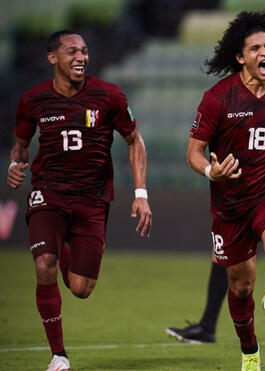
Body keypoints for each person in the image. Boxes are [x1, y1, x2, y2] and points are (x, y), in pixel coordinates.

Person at [7, 30, 152, 371]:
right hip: (49, 192)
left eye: (85, 51)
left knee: (81, 289)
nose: (81, 57)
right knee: (44, 265)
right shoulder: (32, 100)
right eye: (72, 51)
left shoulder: (109, 95)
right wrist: (16, 165)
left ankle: (66, 248)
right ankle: (58, 355)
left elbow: (134, 140)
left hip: (92, 199)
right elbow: (21, 145)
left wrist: (141, 194)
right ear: (53, 58)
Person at [185, 11, 265, 371]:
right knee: (240, 286)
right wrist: (212, 171)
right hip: (230, 203)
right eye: (256, 47)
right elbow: (194, 152)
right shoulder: (218, 99)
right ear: (241, 57)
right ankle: (249, 351)